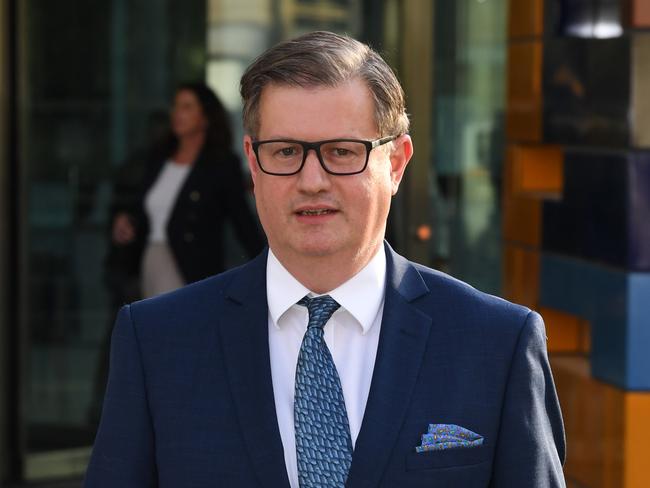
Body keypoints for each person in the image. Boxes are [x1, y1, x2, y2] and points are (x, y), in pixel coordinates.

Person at [84, 32, 566, 487]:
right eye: (286, 151)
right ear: (253, 164)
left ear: (396, 163)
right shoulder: (157, 342)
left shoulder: (497, 344)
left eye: (341, 151)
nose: (311, 179)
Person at [106, 82, 265, 300]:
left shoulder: (221, 165)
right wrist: (126, 220)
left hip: (190, 265)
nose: (177, 113)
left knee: (171, 326)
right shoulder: (159, 158)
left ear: (205, 117)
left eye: (187, 107)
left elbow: (242, 221)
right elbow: (143, 208)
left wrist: (266, 265)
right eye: (176, 106)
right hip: (148, 258)